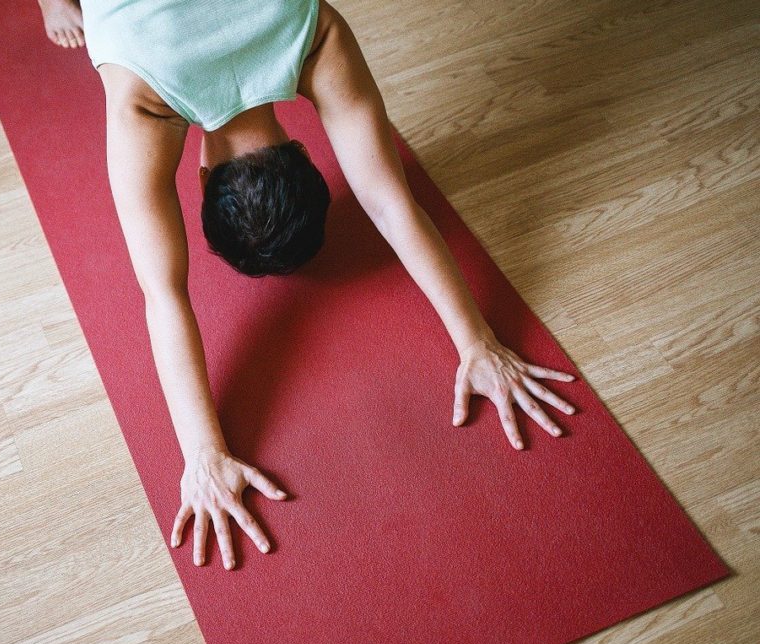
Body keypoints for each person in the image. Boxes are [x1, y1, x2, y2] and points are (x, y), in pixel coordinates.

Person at [37, 0, 579, 571]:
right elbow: (162, 291)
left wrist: (479, 343)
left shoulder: (314, 36)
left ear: (301, 154)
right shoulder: (142, 105)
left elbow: (389, 203)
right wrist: (200, 454)